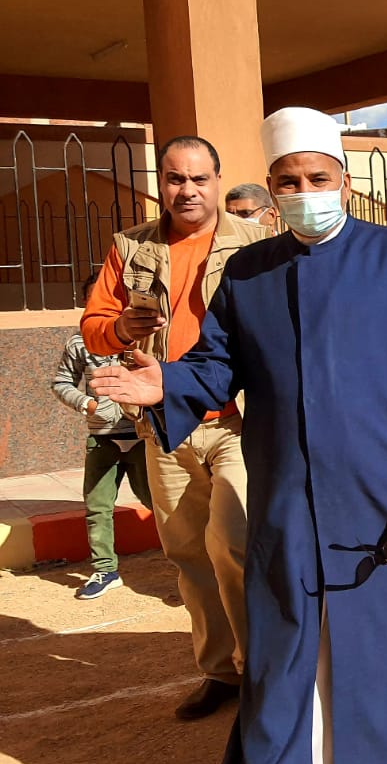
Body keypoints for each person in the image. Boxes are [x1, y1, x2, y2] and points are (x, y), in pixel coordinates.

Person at [89, 106, 387, 764]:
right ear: (271, 191)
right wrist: (166, 383)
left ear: (345, 182)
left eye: (317, 177)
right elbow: (216, 364)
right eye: (288, 181)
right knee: (279, 648)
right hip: (289, 495)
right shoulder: (248, 272)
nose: (305, 192)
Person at [80, 135, 271, 719]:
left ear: (217, 181)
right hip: (163, 424)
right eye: (174, 179)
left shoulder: (256, 244)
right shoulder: (131, 247)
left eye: (199, 179)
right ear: (160, 183)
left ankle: (261, 671)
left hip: (237, 421)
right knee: (187, 553)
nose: (187, 190)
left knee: (234, 542)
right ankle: (220, 673)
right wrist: (121, 330)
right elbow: (93, 325)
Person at [50, 292, 153, 601]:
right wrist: (89, 405)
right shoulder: (79, 343)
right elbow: (61, 382)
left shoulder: (146, 339)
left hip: (143, 436)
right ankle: (106, 570)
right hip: (102, 438)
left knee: (157, 500)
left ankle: (184, 560)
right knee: (98, 507)